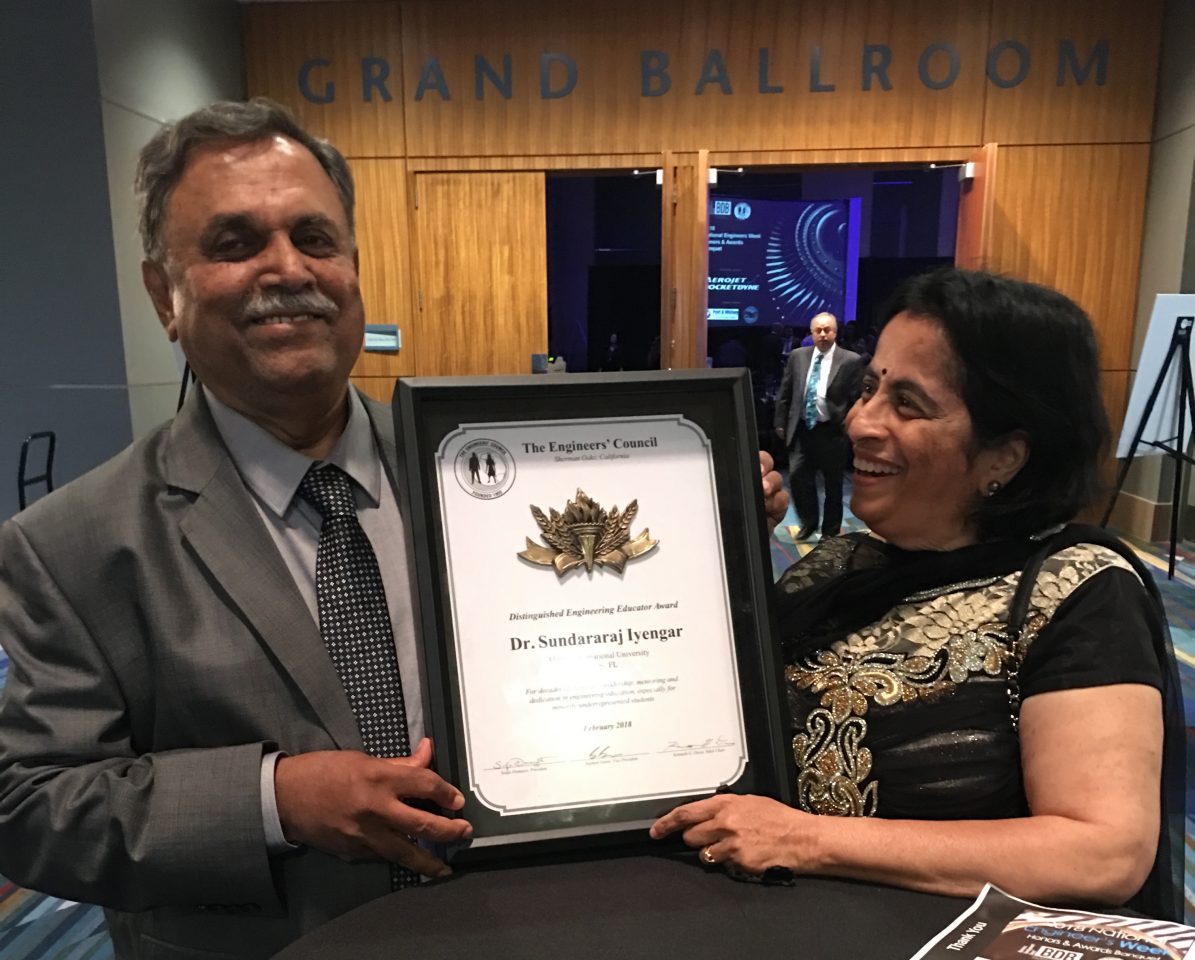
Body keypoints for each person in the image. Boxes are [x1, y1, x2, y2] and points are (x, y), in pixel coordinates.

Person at [0, 96, 794, 958]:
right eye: (235, 244)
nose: (285, 269)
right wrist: (273, 799)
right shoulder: (71, 545)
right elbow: (29, 804)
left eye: (314, 238)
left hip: (533, 925)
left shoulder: (482, 478)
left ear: (351, 265)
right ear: (164, 293)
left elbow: (606, 616)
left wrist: (708, 529)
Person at [652, 268, 1184, 920]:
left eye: (907, 404)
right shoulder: (839, 564)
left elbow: (1101, 851)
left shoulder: (1076, 592)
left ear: (1004, 457)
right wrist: (725, 541)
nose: (859, 422)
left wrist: (810, 840)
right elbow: (705, 693)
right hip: (764, 917)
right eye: (869, 388)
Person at [774, 312, 864, 540]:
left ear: (835, 332)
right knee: (798, 479)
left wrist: (850, 426)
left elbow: (857, 398)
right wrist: (780, 421)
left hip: (832, 431)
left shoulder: (851, 360)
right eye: (818, 330)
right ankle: (809, 522)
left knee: (833, 485)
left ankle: (830, 531)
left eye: (828, 330)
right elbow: (785, 391)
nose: (823, 334)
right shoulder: (797, 356)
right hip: (802, 429)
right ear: (811, 333)